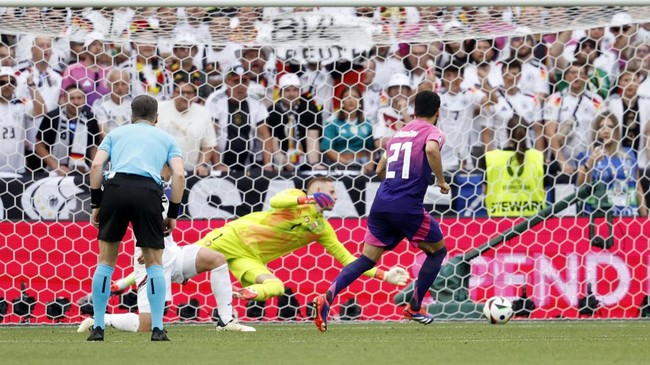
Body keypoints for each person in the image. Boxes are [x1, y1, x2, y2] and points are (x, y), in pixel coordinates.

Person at [313, 90, 450, 333]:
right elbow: (430, 150)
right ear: (437, 112)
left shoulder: (398, 134)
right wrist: (440, 179)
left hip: (381, 203)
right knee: (438, 252)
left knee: (367, 260)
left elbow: (379, 169)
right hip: (407, 207)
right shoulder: (433, 132)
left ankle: (327, 297)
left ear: (414, 111)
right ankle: (414, 307)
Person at [188, 176, 409, 303]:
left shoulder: (322, 228)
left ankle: (250, 293)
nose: (336, 196)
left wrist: (384, 274)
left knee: (276, 286)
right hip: (231, 237)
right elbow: (276, 201)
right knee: (178, 266)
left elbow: (346, 258)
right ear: (319, 189)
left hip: (249, 257)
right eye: (332, 192)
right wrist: (309, 199)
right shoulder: (295, 197)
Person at [78, 195, 255, 333]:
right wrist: (146, 247)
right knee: (147, 326)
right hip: (150, 257)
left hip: (173, 253)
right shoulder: (137, 186)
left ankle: (226, 321)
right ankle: (99, 320)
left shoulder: (163, 185)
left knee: (216, 259)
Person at [87, 94, 185, 341]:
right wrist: (172, 214)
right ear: (156, 118)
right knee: (154, 263)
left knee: (106, 261)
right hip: (148, 192)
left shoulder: (116, 134)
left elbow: (96, 166)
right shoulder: (166, 138)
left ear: (131, 115)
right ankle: (158, 329)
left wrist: (96, 204)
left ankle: (98, 327)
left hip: (116, 189)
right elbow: (180, 175)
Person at [576, 113, 648, 217]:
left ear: (616, 130)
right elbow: (581, 186)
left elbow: (638, 187)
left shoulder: (629, 154)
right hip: (599, 215)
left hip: (629, 214)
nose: (606, 130)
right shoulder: (586, 155)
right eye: (601, 127)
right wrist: (591, 161)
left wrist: (644, 216)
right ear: (596, 131)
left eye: (610, 126)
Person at [482, 116, 546, 217]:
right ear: (527, 134)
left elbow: (484, 190)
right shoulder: (538, 157)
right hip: (534, 220)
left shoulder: (491, 158)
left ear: (507, 133)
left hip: (499, 219)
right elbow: (544, 189)